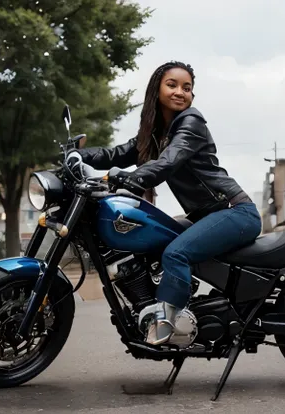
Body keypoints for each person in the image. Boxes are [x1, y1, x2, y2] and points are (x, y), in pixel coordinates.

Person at [74, 61, 261, 345]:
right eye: (172, 85)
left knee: (176, 253)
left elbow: (168, 162)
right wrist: (79, 155)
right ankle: (159, 305)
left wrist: (124, 179)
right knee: (156, 238)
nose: (180, 92)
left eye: (186, 88)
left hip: (235, 211)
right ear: (156, 89)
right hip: (207, 215)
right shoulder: (157, 131)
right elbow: (120, 152)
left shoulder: (191, 122)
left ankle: (168, 323)